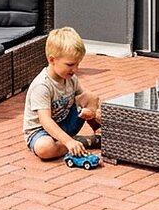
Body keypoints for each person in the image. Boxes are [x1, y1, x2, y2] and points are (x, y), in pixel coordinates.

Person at [22, 27, 103, 161]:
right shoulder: (42, 86)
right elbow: (46, 121)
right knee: (45, 148)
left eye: (78, 64)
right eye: (70, 64)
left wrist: (93, 113)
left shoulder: (71, 79)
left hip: (64, 123)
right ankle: (83, 142)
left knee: (91, 98)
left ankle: (99, 133)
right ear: (52, 60)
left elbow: (89, 99)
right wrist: (68, 141)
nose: (75, 69)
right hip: (42, 131)